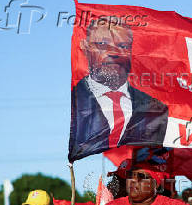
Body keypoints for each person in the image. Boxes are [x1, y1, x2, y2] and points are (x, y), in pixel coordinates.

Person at [69, 19, 168, 161]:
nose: (113, 52)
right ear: (85, 48)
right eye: (102, 44)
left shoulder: (156, 108)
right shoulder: (76, 100)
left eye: (123, 46)